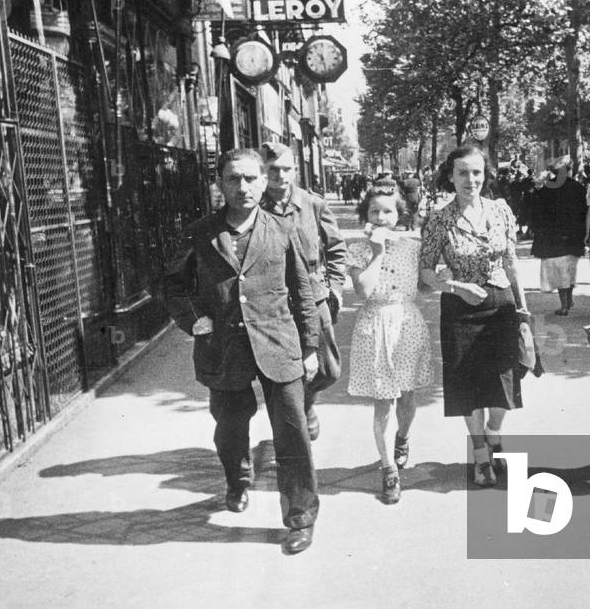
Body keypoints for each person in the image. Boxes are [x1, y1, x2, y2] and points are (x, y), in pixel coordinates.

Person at [161, 149, 321, 555]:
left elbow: (302, 291)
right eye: (234, 178)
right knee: (230, 429)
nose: (244, 187)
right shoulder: (200, 232)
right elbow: (172, 285)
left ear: (265, 180)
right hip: (223, 347)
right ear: (220, 182)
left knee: (293, 433)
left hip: (278, 343)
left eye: (252, 178)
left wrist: (311, 345)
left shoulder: (283, 229)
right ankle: (237, 478)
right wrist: (193, 319)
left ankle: (300, 517)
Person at [419, 144, 529, 487]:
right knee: (469, 387)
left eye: (477, 172)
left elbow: (511, 260)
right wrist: (455, 286)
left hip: (501, 304)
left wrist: (523, 308)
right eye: (463, 172)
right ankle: (481, 455)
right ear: (450, 176)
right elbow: (424, 273)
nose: (471, 179)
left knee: (505, 382)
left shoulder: (500, 211)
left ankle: (494, 433)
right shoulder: (439, 218)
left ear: (486, 174)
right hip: (460, 311)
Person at [346, 179, 432, 505]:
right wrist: (378, 252)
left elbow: (425, 285)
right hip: (374, 324)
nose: (381, 217)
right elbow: (364, 291)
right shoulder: (357, 249)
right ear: (365, 214)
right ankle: (388, 468)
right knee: (383, 401)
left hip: (407, 324)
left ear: (399, 213)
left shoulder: (413, 247)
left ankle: (403, 438)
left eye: (387, 211)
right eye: (374, 211)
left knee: (407, 397)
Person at [260, 142, 347, 442]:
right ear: (264, 172)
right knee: (283, 370)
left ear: (295, 170)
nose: (280, 176)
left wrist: (335, 287)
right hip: (275, 301)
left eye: (286, 169)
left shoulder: (313, 205)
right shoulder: (255, 208)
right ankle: (295, 420)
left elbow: (336, 248)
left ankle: (307, 401)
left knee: (329, 370)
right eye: (273, 170)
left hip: (313, 296)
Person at [530, 159, 587, 316]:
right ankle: (569, 299)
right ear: (568, 170)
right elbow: (584, 211)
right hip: (574, 236)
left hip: (553, 238)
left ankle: (564, 306)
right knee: (570, 270)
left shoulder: (547, 188)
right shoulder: (578, 187)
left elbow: (537, 211)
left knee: (560, 271)